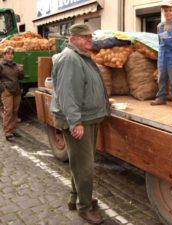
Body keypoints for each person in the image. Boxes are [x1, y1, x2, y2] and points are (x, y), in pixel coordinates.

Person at [51, 24, 109, 224]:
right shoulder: (70, 59)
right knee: (84, 167)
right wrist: (75, 122)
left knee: (79, 164)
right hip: (79, 120)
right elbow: (67, 94)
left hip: (87, 118)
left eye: (90, 36)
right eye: (84, 37)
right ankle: (85, 208)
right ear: (73, 39)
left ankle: (75, 199)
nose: (89, 39)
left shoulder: (80, 56)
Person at [0, 46, 23, 141]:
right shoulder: (1, 65)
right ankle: (7, 131)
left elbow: (21, 78)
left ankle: (13, 130)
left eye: (12, 54)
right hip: (7, 91)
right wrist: (3, 88)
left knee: (15, 111)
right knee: (8, 111)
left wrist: (21, 71)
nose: (10, 55)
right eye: (8, 53)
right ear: (4, 55)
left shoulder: (15, 65)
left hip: (16, 90)